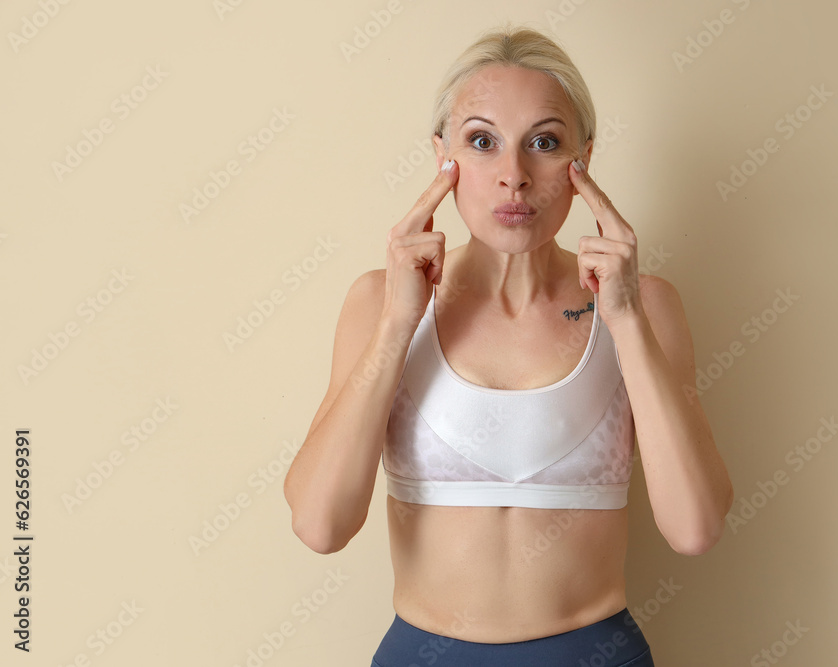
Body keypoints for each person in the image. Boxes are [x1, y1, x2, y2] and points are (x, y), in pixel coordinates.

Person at [283, 24, 734, 666]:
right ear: (442, 155)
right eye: (482, 142)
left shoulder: (647, 305)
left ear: (584, 158)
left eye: (544, 143)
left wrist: (627, 320)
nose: (514, 177)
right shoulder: (378, 302)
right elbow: (320, 526)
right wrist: (396, 323)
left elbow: (695, 529)